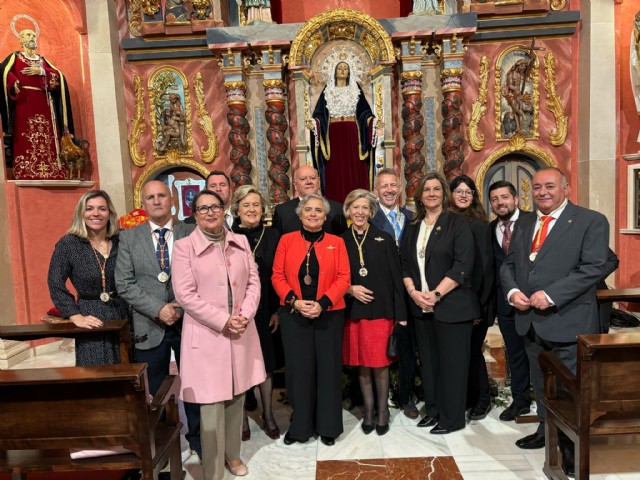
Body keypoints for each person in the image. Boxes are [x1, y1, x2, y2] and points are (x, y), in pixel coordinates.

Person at [500, 167, 610, 477]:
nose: (542, 192)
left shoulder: (590, 221)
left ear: (566, 188)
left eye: (549, 186)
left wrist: (551, 294)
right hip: (530, 321)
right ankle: (545, 431)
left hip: (567, 320)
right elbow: (509, 265)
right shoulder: (522, 223)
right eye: (536, 187)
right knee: (541, 383)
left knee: (571, 389)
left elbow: (593, 268)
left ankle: (572, 446)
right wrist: (512, 292)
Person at [172, 189, 265, 480]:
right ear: (195, 215)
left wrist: (245, 315)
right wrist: (224, 320)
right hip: (207, 334)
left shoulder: (241, 241)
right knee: (211, 404)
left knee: (237, 397)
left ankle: (233, 455)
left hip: (240, 331)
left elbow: (253, 282)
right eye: (203, 208)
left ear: (224, 210)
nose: (210, 212)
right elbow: (185, 295)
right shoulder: (184, 247)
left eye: (215, 207)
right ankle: (213, 469)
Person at [115, 180, 201, 458]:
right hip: (148, 326)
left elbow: (203, 276)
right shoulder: (129, 237)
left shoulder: (192, 232)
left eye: (161, 195)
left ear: (172, 199)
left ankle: (199, 440)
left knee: (196, 385)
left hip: (189, 322)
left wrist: (178, 305)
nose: (156, 201)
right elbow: (125, 284)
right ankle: (165, 442)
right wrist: (158, 308)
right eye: (150, 197)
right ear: (143, 203)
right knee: (156, 391)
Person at [400, 172, 480, 435]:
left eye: (436, 189)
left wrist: (435, 295)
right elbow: (404, 262)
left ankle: (452, 418)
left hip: (452, 305)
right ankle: (433, 411)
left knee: (453, 366)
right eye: (426, 189)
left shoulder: (457, 222)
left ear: (444, 194)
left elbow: (463, 265)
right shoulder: (412, 225)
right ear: (419, 196)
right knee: (430, 364)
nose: (431, 193)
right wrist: (413, 292)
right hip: (420, 307)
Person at [271, 193, 350, 446]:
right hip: (294, 314)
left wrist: (322, 304)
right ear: (300, 214)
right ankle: (300, 427)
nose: (313, 214)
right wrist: (294, 301)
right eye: (308, 210)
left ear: (325, 216)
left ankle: (328, 426)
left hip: (329, 314)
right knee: (299, 371)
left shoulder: (337, 242)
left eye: (318, 210)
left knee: (328, 370)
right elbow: (277, 276)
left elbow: (344, 277)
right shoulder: (286, 240)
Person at [341, 189, 406, 436]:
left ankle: (382, 412)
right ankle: (368, 411)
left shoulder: (384, 238)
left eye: (364, 208)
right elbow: (333, 277)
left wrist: (400, 315)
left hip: (381, 312)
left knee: (379, 364)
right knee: (362, 365)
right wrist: (349, 288)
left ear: (371, 211)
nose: (359, 212)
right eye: (355, 207)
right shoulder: (339, 241)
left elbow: (396, 280)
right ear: (348, 210)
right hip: (352, 312)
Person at [48, 190, 128, 366]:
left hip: (123, 311)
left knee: (129, 371)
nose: (96, 213)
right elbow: (55, 282)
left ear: (110, 213)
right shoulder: (69, 244)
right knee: (97, 371)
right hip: (90, 314)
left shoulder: (122, 240)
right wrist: (75, 315)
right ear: (81, 213)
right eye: (89, 208)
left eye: (102, 208)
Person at [230, 185, 283, 441]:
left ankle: (268, 414)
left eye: (256, 205)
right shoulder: (227, 236)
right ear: (237, 210)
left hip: (266, 312)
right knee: (239, 365)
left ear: (264, 210)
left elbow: (281, 275)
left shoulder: (274, 236)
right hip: (237, 314)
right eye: (246, 205)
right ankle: (241, 419)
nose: (252, 210)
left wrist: (277, 310)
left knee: (266, 364)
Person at [370, 168, 418, 420]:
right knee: (380, 347)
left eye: (393, 185)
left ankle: (406, 396)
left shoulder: (412, 218)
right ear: (375, 191)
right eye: (383, 186)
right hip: (382, 293)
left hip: (411, 291)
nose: (389, 190)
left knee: (407, 346)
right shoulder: (368, 219)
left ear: (399, 189)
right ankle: (379, 400)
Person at [448, 175, 495, 421]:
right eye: (459, 191)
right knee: (459, 353)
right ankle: (465, 397)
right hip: (451, 302)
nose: (464, 195)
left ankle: (482, 400)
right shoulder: (447, 223)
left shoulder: (478, 225)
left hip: (474, 303)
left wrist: (477, 307)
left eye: (469, 192)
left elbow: (485, 270)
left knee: (473, 353)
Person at [1, 27, 74, 180]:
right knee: (26, 137)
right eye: (28, 35)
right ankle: (25, 170)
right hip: (24, 104)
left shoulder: (42, 61)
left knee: (47, 138)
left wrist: (42, 72)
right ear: (21, 40)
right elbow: (4, 72)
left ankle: (53, 170)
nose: (32, 37)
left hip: (45, 104)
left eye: (33, 35)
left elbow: (59, 78)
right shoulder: (16, 57)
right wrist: (13, 82)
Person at [488, 180, 533, 422]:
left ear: (516, 199)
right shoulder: (489, 229)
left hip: (536, 302)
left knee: (540, 354)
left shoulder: (534, 222)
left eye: (504, 197)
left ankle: (552, 401)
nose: (500, 202)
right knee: (514, 353)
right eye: (494, 199)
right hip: (505, 303)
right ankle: (521, 401)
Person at [307, 52, 378, 203]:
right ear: (334, 70)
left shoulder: (356, 90)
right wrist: (314, 124)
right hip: (333, 136)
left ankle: (359, 204)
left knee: (355, 168)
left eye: (346, 68)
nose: (343, 71)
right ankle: (336, 207)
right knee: (335, 171)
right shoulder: (327, 91)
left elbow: (364, 112)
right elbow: (320, 115)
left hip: (353, 135)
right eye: (340, 68)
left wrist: (372, 121)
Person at [271, 165, 347, 235]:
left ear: (319, 182)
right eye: (303, 179)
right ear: (295, 185)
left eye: (313, 178)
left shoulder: (337, 209)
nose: (309, 182)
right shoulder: (282, 211)